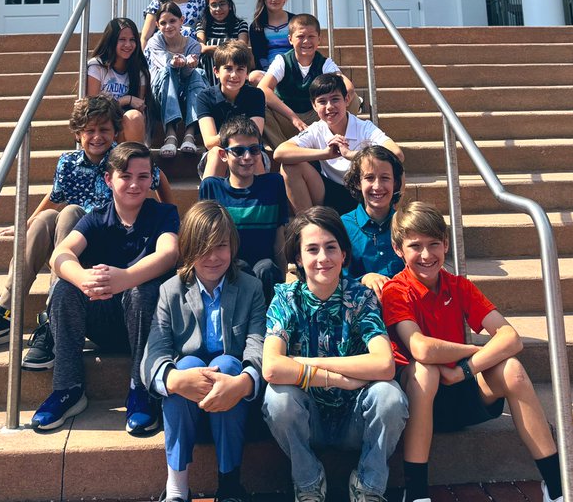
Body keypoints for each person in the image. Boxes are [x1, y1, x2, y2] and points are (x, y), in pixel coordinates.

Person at [382, 202, 573, 502]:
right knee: (426, 371)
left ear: (446, 244)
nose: (426, 255)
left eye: (434, 244)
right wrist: (472, 351)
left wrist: (464, 369)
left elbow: (511, 338)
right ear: (399, 250)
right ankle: (416, 494)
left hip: (459, 390)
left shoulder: (459, 286)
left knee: (512, 369)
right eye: (415, 246)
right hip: (419, 401)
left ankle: (557, 488)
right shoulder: (396, 291)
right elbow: (420, 348)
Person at [0, 95, 171, 371]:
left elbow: (157, 177)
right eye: (89, 131)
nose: (96, 137)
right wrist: (28, 222)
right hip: (73, 246)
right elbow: (55, 195)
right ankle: (5, 312)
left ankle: (53, 317)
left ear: (115, 132)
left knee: (69, 213)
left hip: (106, 247)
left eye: (104, 130)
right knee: (47, 218)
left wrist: (167, 212)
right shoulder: (68, 163)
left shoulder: (123, 161)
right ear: (78, 134)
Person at [31, 141, 180, 435]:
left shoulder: (163, 214)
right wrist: (82, 278)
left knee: (143, 290)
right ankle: (68, 388)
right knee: (64, 289)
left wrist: (126, 277)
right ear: (109, 179)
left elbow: (169, 254)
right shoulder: (96, 218)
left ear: (152, 179)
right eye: (126, 176)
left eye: (142, 176)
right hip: (104, 321)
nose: (135, 184)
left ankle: (142, 388)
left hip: (147, 325)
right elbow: (59, 255)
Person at [262, 207, 408, 502]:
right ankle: (308, 481)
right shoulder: (286, 298)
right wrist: (337, 379)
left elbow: (384, 364)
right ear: (298, 259)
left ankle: (368, 486)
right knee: (277, 399)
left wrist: (308, 363)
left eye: (331, 248)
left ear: (344, 254)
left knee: (389, 397)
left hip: (354, 418)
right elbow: (272, 368)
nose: (323, 258)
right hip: (309, 419)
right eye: (312, 249)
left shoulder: (360, 297)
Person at [142, 200, 266, 502]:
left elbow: (258, 344)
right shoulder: (170, 290)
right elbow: (154, 351)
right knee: (184, 366)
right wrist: (173, 380)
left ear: (232, 247)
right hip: (185, 398)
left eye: (221, 246)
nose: (212, 257)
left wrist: (243, 382)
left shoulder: (250, 288)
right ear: (187, 249)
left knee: (227, 365)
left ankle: (230, 484)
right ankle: (176, 487)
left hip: (232, 399)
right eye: (203, 248)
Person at [273, 74, 403, 216]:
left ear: (346, 100)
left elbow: (396, 154)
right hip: (329, 191)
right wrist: (326, 153)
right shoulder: (316, 129)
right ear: (314, 106)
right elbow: (279, 153)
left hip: (363, 191)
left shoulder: (364, 127)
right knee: (289, 166)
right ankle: (307, 226)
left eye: (335, 99)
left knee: (398, 171)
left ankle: (391, 220)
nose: (329, 107)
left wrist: (350, 155)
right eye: (322, 101)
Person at [199, 117, 288, 303]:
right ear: (223, 155)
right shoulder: (211, 187)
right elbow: (203, 241)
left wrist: (286, 278)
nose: (247, 157)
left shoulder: (273, 184)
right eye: (238, 151)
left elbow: (280, 237)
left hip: (266, 273)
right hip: (227, 272)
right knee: (239, 268)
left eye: (254, 150)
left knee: (265, 268)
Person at [257, 13, 357, 147]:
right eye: (300, 36)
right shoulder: (282, 61)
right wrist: (293, 118)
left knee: (352, 99)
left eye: (311, 37)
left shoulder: (324, 63)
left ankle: (334, 143)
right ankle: (285, 149)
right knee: (257, 103)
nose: (306, 41)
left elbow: (347, 86)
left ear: (319, 39)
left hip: (315, 118)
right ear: (290, 39)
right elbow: (263, 88)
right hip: (286, 117)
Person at [194, 41, 266, 178]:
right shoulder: (205, 97)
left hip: (249, 152)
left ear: (247, 74)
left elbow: (254, 136)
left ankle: (261, 198)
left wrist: (229, 139)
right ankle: (208, 199)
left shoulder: (256, 95)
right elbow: (209, 142)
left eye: (240, 69)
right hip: (218, 154)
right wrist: (238, 136)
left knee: (251, 151)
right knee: (216, 153)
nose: (234, 75)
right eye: (228, 68)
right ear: (216, 72)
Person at [342, 145, 405, 300]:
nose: (377, 186)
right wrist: (364, 278)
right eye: (369, 178)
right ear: (357, 182)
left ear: (395, 183)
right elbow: (335, 278)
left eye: (385, 178)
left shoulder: (406, 224)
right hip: (360, 308)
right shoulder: (342, 226)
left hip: (405, 305)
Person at [145, 1, 207, 158]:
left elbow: (187, 75)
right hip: (160, 95)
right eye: (163, 23)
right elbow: (166, 64)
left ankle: (189, 134)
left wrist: (188, 66)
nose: (168, 26)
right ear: (158, 25)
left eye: (172, 21)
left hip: (184, 94)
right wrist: (180, 62)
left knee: (197, 73)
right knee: (168, 70)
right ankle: (171, 134)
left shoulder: (193, 45)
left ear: (182, 20)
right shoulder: (155, 42)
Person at [87, 17, 154, 144]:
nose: (128, 45)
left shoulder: (139, 71)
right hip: (100, 125)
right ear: (111, 41)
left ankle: (136, 160)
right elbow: (93, 108)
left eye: (132, 40)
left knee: (134, 117)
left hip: (123, 128)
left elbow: (139, 108)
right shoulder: (97, 66)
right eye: (122, 39)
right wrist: (125, 100)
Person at [195, 0, 249, 76]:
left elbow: (242, 47)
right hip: (209, 72)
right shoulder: (202, 25)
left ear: (229, 5)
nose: (218, 9)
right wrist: (228, 49)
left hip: (233, 71)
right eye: (214, 5)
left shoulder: (240, 24)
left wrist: (213, 50)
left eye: (222, 4)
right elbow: (201, 48)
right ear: (208, 7)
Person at [247, 0, 294, 80]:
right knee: (253, 77)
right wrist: (271, 73)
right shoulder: (256, 26)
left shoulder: (295, 21)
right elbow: (259, 56)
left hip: (294, 68)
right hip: (268, 72)